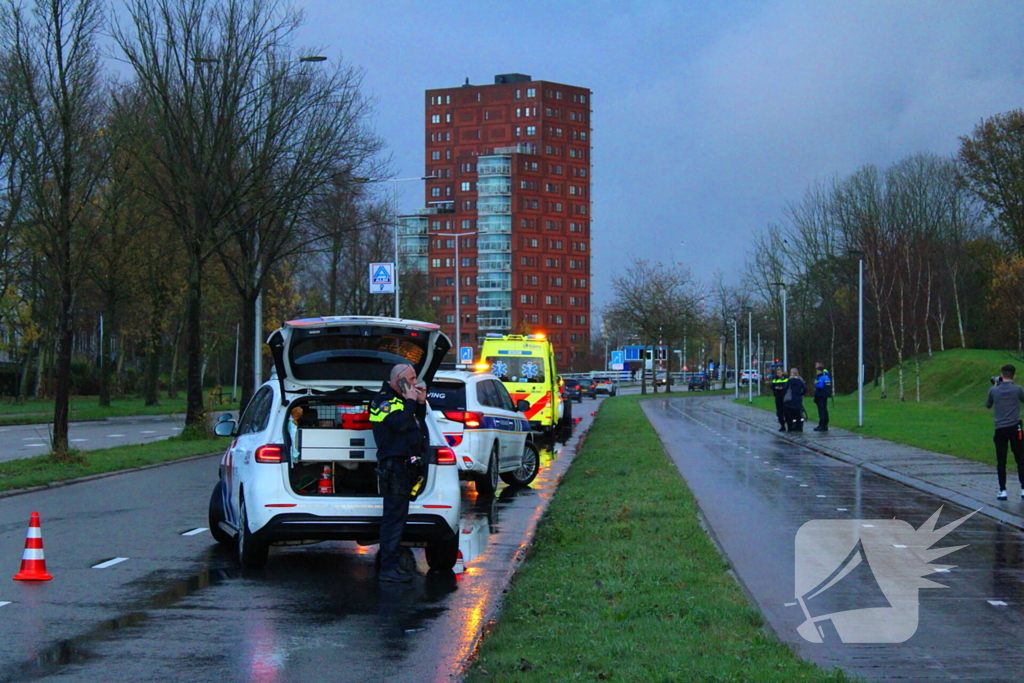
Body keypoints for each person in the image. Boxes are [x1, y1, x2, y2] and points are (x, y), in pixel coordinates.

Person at [369, 363, 427, 582]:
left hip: (406, 467)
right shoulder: (383, 401)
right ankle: (388, 569)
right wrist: (412, 401)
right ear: (399, 379)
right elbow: (399, 424)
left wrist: (419, 404)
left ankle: (392, 567)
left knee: (399, 518)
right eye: (411, 379)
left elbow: (416, 424)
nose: (415, 383)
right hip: (393, 466)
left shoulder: (403, 401)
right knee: (392, 520)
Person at [985, 364, 1024, 501]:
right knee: (1020, 458)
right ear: (1013, 375)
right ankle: (1023, 488)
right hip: (1015, 427)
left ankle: (1003, 490)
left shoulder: (994, 390)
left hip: (1000, 428)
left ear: (1002, 375)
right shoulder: (1018, 389)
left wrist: (995, 387)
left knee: (1001, 460)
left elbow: (988, 404)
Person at [784, 367, 806, 432]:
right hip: (798, 400)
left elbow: (784, 388)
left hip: (790, 400)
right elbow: (805, 389)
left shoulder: (789, 381)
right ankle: (799, 427)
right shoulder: (800, 381)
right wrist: (800, 394)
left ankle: (790, 428)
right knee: (798, 414)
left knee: (790, 414)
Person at [813, 363, 832, 432]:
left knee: (821, 410)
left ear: (819, 371)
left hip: (820, 395)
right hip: (825, 395)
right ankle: (825, 424)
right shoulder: (827, 377)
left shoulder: (821, 377)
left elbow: (820, 386)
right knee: (825, 409)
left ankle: (822, 425)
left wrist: (815, 384)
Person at [771, 367, 789, 431]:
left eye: (780, 372)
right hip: (778, 396)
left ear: (782, 373)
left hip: (784, 397)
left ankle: (789, 425)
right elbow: (772, 386)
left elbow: (787, 386)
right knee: (779, 412)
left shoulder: (786, 379)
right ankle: (782, 425)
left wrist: (782, 388)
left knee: (786, 411)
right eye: (778, 373)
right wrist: (776, 388)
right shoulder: (775, 379)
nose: (779, 374)